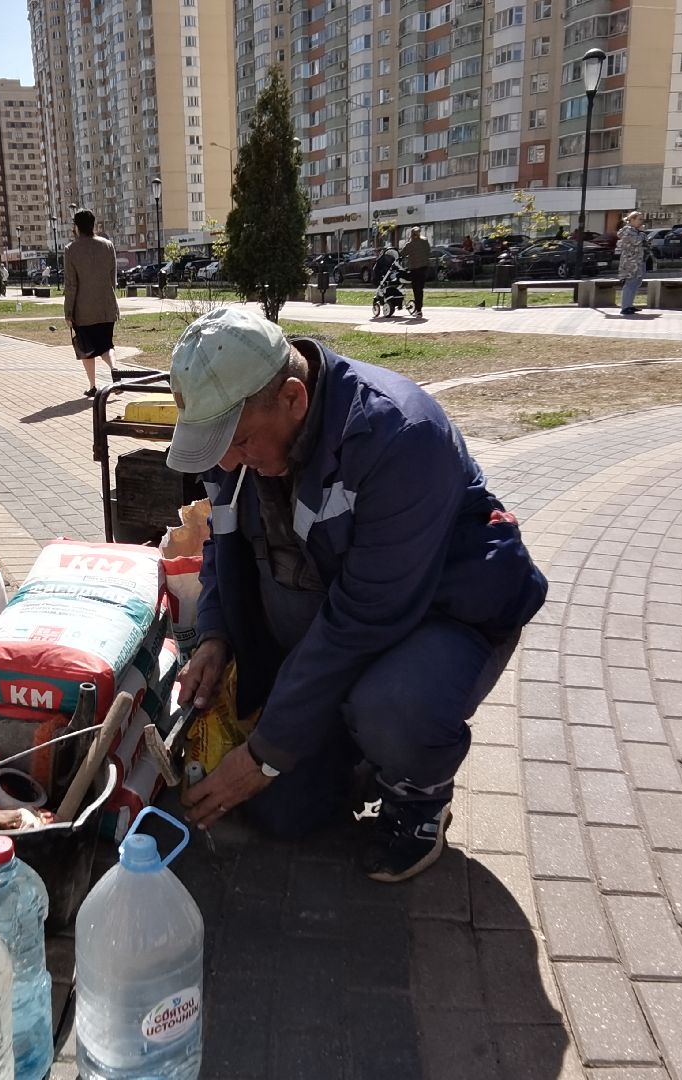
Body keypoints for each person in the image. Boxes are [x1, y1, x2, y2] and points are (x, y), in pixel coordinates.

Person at [167, 306, 548, 882]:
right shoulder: (242, 433)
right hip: (335, 629)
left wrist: (263, 754)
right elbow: (223, 542)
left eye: (238, 442)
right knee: (284, 813)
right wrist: (217, 635)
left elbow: (361, 621)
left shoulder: (400, 437)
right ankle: (354, 749)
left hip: (441, 618)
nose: (225, 461)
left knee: (393, 709)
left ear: (294, 398)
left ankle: (418, 793)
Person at [63, 207, 121, 398]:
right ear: (93, 224)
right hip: (106, 306)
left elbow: (71, 284)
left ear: (76, 227)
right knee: (106, 345)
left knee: (87, 348)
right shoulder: (108, 245)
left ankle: (93, 385)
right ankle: (115, 371)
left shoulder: (71, 250)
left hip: (83, 309)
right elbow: (113, 278)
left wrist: (68, 312)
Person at [616, 210, 647, 315]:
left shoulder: (636, 231)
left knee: (636, 283)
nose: (642, 221)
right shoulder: (628, 230)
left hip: (637, 261)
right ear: (632, 219)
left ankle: (629, 305)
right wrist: (642, 233)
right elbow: (636, 241)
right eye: (639, 219)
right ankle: (625, 307)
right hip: (629, 262)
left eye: (642, 219)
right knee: (629, 284)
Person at [399, 226, 431, 316]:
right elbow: (429, 251)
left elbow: (402, 253)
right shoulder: (425, 241)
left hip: (415, 269)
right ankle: (419, 308)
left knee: (416, 289)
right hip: (424, 268)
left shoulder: (410, 244)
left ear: (412, 234)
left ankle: (418, 309)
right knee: (420, 289)